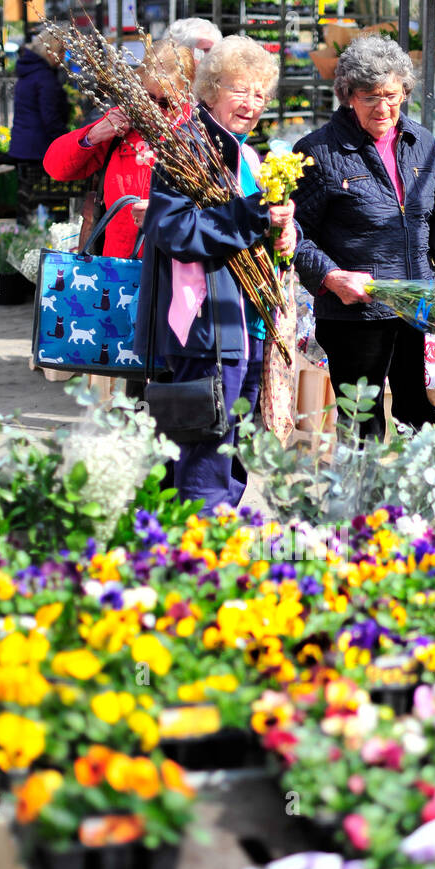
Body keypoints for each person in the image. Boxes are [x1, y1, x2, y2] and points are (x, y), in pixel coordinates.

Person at [291, 36, 435, 440]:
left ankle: (418, 501)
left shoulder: (421, 142)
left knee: (416, 411)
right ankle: (363, 503)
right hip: (354, 311)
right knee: (363, 424)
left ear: (405, 92)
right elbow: (295, 234)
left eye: (392, 96)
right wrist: (329, 278)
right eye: (369, 97)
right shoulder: (318, 151)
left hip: (415, 304)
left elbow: (429, 216)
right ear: (348, 97)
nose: (383, 108)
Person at [135, 35, 295, 512]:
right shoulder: (187, 147)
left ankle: (209, 529)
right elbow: (174, 231)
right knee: (205, 439)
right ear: (209, 90)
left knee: (231, 437)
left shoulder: (247, 155)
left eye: (259, 94)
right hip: (205, 326)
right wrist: (254, 217)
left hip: (245, 324)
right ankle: (201, 544)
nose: (251, 104)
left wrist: (285, 239)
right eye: (239, 90)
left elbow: (256, 227)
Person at [44, 40, 196, 259]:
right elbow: (55, 168)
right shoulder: (122, 123)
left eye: (167, 104)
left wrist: (165, 211)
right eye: (148, 98)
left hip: (170, 271)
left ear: (186, 96)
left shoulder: (196, 134)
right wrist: (92, 136)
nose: (155, 110)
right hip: (117, 268)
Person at [7, 27, 70, 223]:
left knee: (27, 206)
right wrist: (67, 144)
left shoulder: (27, 73)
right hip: (39, 150)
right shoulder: (45, 79)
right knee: (47, 204)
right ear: (51, 51)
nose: (64, 58)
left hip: (23, 147)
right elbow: (50, 118)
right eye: (62, 52)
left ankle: (26, 239)